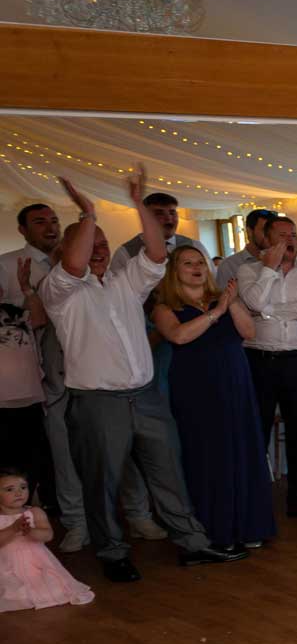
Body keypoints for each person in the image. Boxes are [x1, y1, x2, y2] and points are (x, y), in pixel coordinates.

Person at [36, 171, 241, 580]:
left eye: (102, 244)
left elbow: (156, 253)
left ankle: (192, 544)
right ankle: (113, 554)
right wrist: (89, 213)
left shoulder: (125, 280)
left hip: (146, 396)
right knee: (103, 482)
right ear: (66, 251)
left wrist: (140, 206)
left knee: (168, 472)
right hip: (97, 403)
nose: (97, 250)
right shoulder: (59, 290)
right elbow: (75, 262)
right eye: (89, 243)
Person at [6, 200, 153, 550]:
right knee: (65, 457)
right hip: (53, 382)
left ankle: (138, 514)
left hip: (103, 384)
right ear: (23, 229)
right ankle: (77, 523)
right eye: (39, 221)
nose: (49, 226)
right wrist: (27, 293)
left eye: (54, 220)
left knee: (125, 453)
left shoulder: (103, 279)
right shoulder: (8, 266)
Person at [150, 244, 277, 550]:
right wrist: (216, 312)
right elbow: (179, 336)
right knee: (208, 455)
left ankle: (249, 526)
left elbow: (249, 332)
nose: (196, 268)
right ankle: (213, 528)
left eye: (200, 263)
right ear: (174, 270)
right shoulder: (165, 306)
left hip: (236, 384)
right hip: (197, 389)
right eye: (187, 263)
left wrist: (229, 303)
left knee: (242, 451)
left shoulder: (221, 298)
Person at [238, 214, 297, 519]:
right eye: (281, 235)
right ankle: (254, 497)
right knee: (257, 428)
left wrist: (266, 313)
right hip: (259, 360)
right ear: (264, 240)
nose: (290, 241)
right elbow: (251, 304)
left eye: (293, 235)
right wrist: (268, 271)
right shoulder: (247, 271)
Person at [0, 465, 93, 610]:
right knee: (12, 590)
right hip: (5, 563)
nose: (19, 493)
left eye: (23, 487)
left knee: (51, 586)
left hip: (35, 562)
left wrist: (30, 531)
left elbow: (48, 535)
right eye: (10, 489)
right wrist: (13, 529)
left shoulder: (34, 512)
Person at [0, 254, 49, 522]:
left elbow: (40, 319)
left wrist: (26, 288)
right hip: (1, 408)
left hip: (29, 405)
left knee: (30, 467)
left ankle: (26, 524)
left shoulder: (15, 311)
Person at [108, 190, 199, 276]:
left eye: (172, 212)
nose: (168, 218)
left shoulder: (195, 246)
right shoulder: (125, 253)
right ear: (145, 218)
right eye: (159, 213)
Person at [214, 207, 277, 290]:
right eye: (265, 230)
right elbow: (226, 300)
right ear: (249, 232)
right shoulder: (229, 266)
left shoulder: (281, 260)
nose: (270, 235)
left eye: (273, 231)